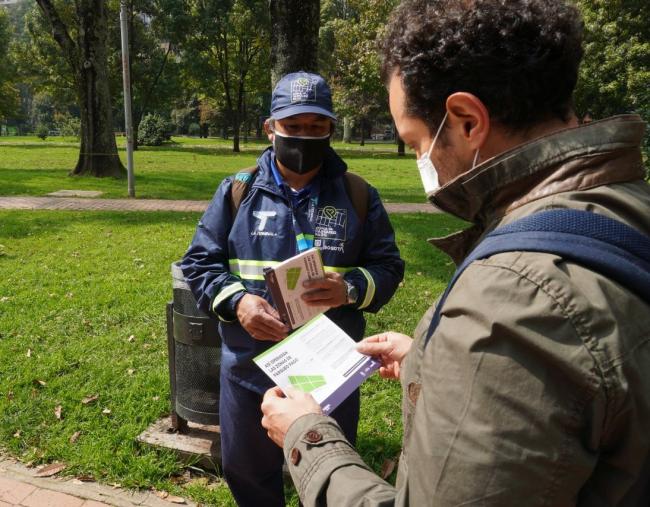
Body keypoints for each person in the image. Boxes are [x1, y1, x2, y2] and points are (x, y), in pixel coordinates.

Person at [260, 1, 650, 505]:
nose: (422, 161)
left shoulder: (506, 307)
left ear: (466, 121)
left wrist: (309, 439)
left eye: (415, 140)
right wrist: (429, 360)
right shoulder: (626, 206)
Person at [181, 71, 404, 507]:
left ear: (330, 130)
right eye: (294, 127)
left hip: (328, 371)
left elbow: (389, 266)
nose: (305, 137)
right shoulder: (237, 192)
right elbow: (199, 261)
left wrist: (351, 288)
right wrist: (238, 302)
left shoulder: (358, 194)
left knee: (326, 473)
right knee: (245, 469)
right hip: (249, 365)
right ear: (271, 128)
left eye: (316, 128)